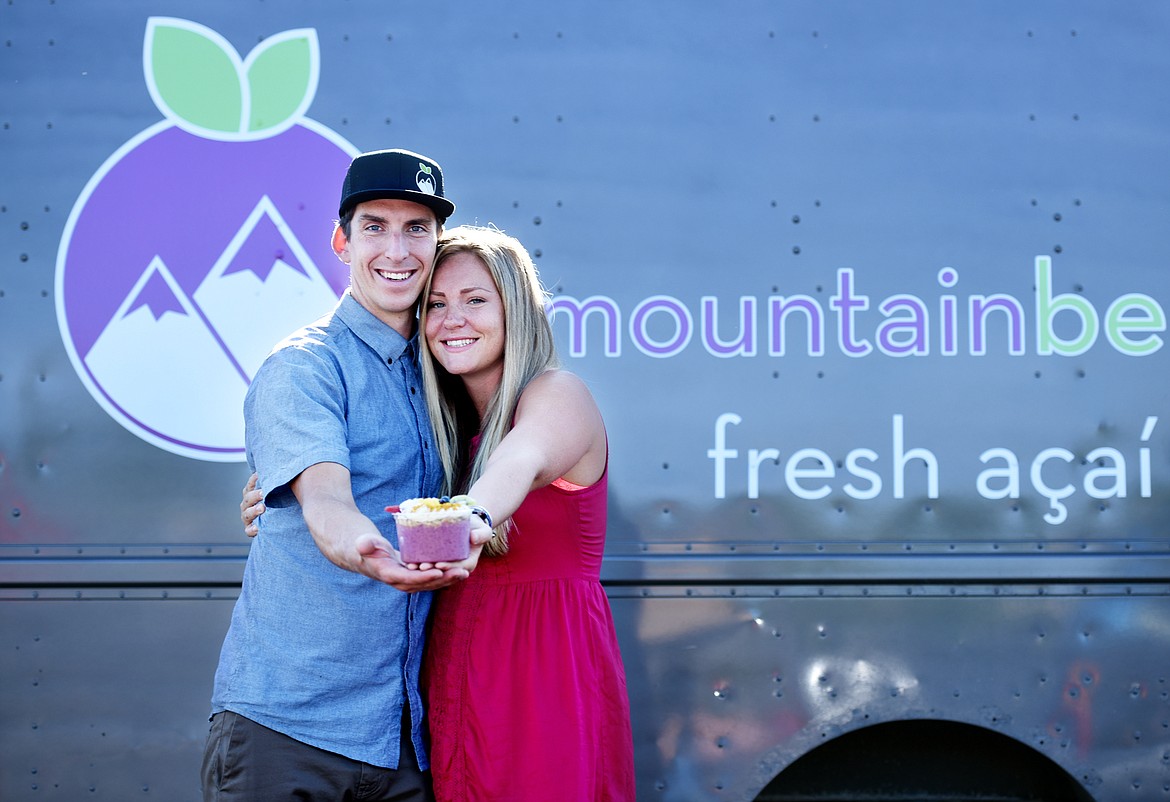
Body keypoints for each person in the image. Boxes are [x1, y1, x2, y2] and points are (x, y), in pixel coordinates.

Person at [243, 225, 637, 801]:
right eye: (436, 304)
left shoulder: (558, 393)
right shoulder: (445, 428)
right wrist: (275, 492)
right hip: (452, 672)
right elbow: (347, 482)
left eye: (476, 300)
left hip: (541, 674)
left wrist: (471, 519)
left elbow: (520, 462)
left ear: (517, 312)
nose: (453, 319)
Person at [204, 148, 490, 802]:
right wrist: (362, 547)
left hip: (399, 743)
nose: (398, 248)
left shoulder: (440, 372)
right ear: (342, 241)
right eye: (375, 226)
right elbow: (328, 499)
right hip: (289, 734)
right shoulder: (303, 368)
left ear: (437, 243)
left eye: (417, 228)